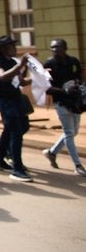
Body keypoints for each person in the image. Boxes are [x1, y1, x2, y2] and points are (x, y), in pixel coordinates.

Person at [0, 35, 33, 182]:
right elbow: (3, 77)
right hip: (5, 101)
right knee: (15, 132)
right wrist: (20, 66)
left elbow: (21, 81)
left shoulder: (13, 62)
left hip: (16, 99)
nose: (15, 48)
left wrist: (40, 77)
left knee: (20, 127)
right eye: (11, 46)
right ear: (3, 48)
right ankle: (17, 169)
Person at [42, 38, 85, 176]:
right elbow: (46, 88)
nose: (55, 50)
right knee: (69, 132)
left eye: (58, 47)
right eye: (53, 47)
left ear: (65, 48)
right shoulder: (49, 64)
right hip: (60, 102)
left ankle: (51, 152)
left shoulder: (73, 61)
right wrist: (64, 91)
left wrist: (78, 86)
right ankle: (78, 165)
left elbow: (79, 76)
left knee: (74, 132)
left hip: (75, 102)